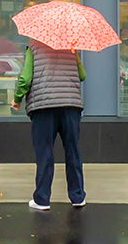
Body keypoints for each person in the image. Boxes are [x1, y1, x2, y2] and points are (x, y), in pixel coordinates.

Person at [12, 39, 86, 210]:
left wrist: (17, 99)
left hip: (44, 107)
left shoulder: (34, 46)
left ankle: (42, 199)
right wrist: (75, 56)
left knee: (45, 152)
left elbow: (26, 78)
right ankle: (77, 196)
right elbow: (82, 76)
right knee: (72, 151)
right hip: (70, 105)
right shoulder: (71, 47)